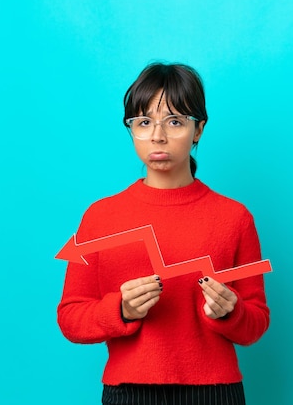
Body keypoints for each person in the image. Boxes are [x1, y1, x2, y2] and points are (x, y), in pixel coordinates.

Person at [57, 62, 270, 405]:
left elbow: (257, 320)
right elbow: (70, 317)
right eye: (143, 122)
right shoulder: (100, 217)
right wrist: (121, 310)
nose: (157, 135)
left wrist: (233, 312)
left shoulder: (235, 218)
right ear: (131, 130)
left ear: (198, 129)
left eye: (174, 121)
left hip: (216, 392)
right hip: (128, 392)